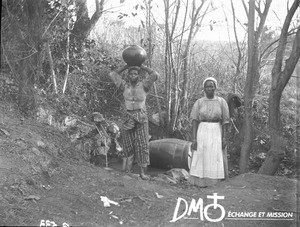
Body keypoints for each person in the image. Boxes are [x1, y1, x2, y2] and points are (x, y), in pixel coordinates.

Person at [109, 64, 158, 180]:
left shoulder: (144, 85)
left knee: (142, 144)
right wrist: (125, 66)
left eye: (135, 74)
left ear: (139, 75)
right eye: (131, 74)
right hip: (128, 116)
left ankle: (142, 173)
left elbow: (155, 74)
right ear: (128, 75)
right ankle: (128, 170)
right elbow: (113, 74)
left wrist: (142, 66)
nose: (133, 76)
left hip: (141, 116)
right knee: (128, 143)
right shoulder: (124, 86)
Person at [189, 77, 230, 187]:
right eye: (207, 86)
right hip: (202, 130)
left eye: (211, 86)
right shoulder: (199, 102)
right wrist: (194, 139)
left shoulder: (221, 102)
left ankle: (214, 182)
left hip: (216, 130)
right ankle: (201, 182)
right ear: (204, 89)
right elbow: (194, 121)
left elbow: (225, 121)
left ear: (215, 87)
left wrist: (224, 137)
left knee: (214, 155)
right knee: (202, 154)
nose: (209, 88)